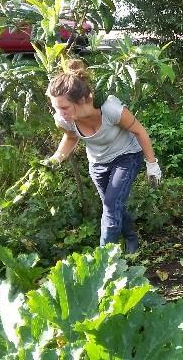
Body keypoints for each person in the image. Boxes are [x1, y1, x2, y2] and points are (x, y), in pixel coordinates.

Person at [44, 59, 162, 253]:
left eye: (64, 107)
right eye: (56, 107)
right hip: (98, 163)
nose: (59, 113)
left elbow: (140, 131)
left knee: (110, 206)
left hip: (127, 156)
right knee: (114, 206)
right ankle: (131, 238)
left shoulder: (110, 108)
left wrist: (152, 164)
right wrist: (56, 159)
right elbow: (71, 137)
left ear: (81, 100)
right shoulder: (63, 119)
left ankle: (104, 260)